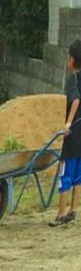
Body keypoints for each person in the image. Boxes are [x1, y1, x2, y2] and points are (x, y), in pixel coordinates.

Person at [49, 40, 81, 227]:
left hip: (73, 132)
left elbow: (75, 100)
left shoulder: (73, 80)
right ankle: (73, 209)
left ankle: (61, 214)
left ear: (71, 60)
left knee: (65, 173)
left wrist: (67, 123)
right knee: (78, 173)